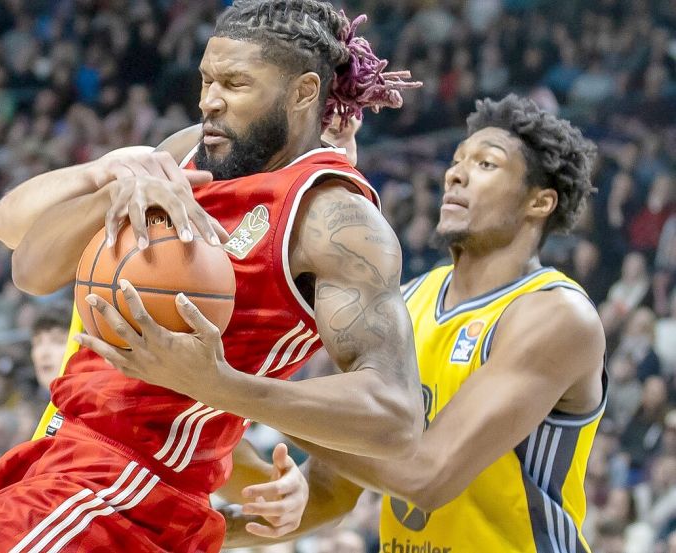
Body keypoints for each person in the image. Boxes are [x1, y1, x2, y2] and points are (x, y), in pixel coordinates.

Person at [0, 1, 422, 551]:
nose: (211, 100)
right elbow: (32, 271)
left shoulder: (334, 217)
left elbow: (396, 417)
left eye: (235, 84)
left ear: (304, 92)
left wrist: (221, 387)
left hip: (121, 491)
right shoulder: (186, 153)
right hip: (60, 462)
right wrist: (112, 191)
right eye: (207, 80)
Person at [238, 95, 607, 552]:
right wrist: (200, 532)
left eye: (486, 164)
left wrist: (232, 391)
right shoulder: (409, 300)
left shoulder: (555, 315)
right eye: (456, 161)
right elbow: (332, 491)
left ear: (540, 201)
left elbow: (427, 476)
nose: (455, 174)